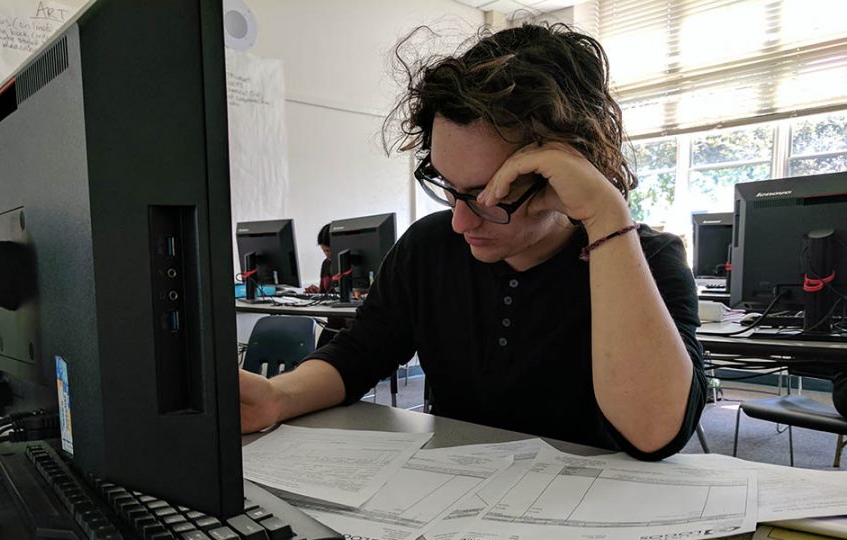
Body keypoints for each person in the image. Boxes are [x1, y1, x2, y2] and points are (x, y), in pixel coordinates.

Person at [238, 22, 707, 460]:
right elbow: (359, 354)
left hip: (592, 515)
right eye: (448, 187)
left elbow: (653, 435)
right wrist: (277, 398)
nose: (461, 222)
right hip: (455, 508)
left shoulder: (645, 259)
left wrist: (606, 215)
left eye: (488, 193)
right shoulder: (429, 246)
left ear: (560, 173)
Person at [304, 223, 333, 294]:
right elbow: (324, 293)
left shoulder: (351, 265)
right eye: (324, 250)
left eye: (329, 250)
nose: (327, 254)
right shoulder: (326, 264)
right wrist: (317, 292)